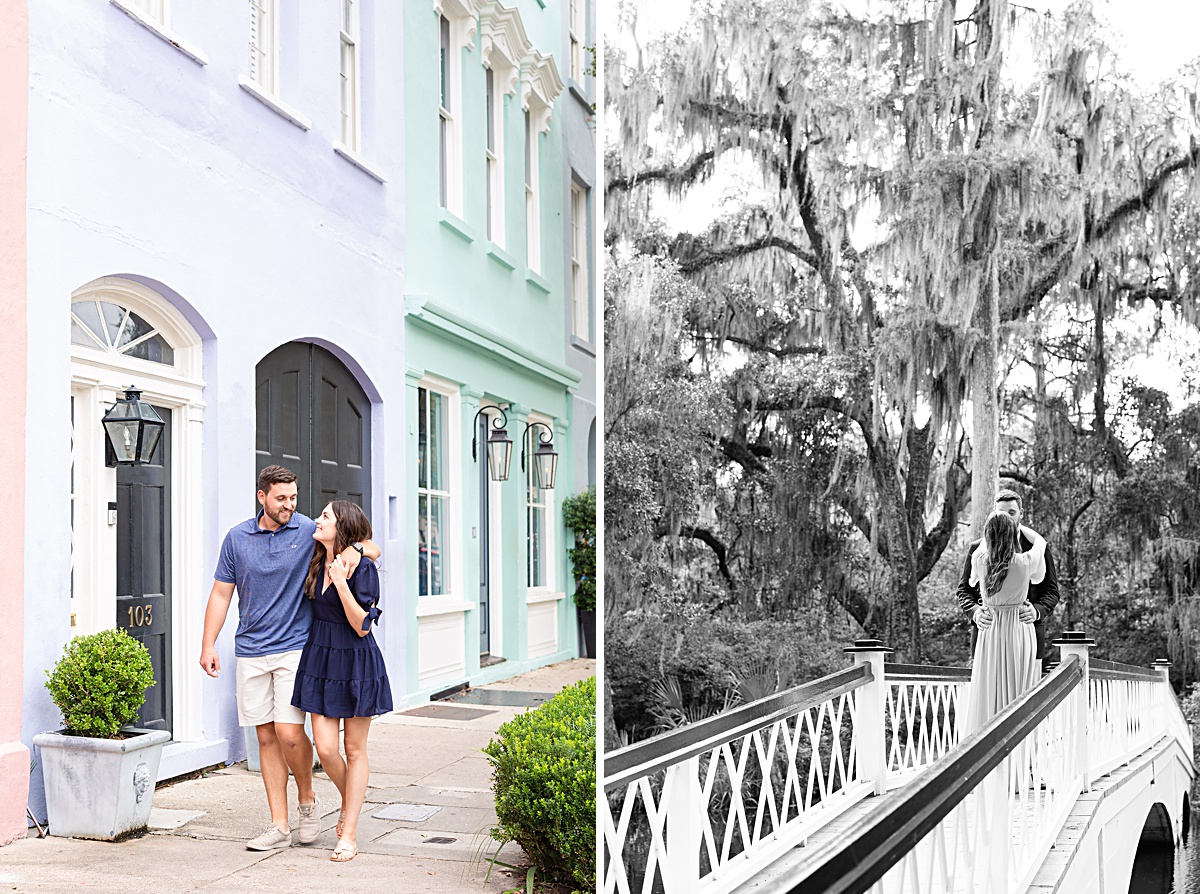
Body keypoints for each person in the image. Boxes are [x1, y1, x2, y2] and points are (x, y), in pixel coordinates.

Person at [199, 465, 380, 851]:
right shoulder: (237, 538)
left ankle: (307, 800)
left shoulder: (305, 531)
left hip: (296, 648)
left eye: (294, 497)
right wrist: (208, 644)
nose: (290, 505)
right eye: (281, 498)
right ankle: (279, 824)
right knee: (264, 737)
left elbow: (366, 543)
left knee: (288, 733)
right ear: (262, 497)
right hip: (250, 649)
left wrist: (357, 549)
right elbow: (220, 594)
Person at [291, 500, 392, 863]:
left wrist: (342, 582)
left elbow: (362, 625)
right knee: (326, 748)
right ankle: (351, 803)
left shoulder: (361, 568)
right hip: (321, 657)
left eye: (326, 516)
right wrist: (348, 553)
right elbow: (369, 541)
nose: (317, 520)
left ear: (342, 526)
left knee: (354, 750)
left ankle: (349, 833)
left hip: (355, 659)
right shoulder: (317, 557)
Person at [961, 510, 1047, 734]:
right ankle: (1017, 752)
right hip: (1019, 629)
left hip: (990, 629)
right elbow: (1040, 542)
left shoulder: (979, 561)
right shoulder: (1025, 562)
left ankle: (985, 743)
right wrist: (1017, 526)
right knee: (1019, 691)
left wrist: (994, 524)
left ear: (987, 535)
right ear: (1013, 535)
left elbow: (970, 580)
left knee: (988, 690)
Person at [956, 489, 1060, 670]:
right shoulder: (977, 550)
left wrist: (1036, 611)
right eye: (1001, 513)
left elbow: (1051, 591)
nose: (1007, 518)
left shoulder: (1036, 549)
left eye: (1011, 512)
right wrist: (975, 612)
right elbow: (964, 590)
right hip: (987, 636)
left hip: (1027, 636)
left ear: (1021, 513)